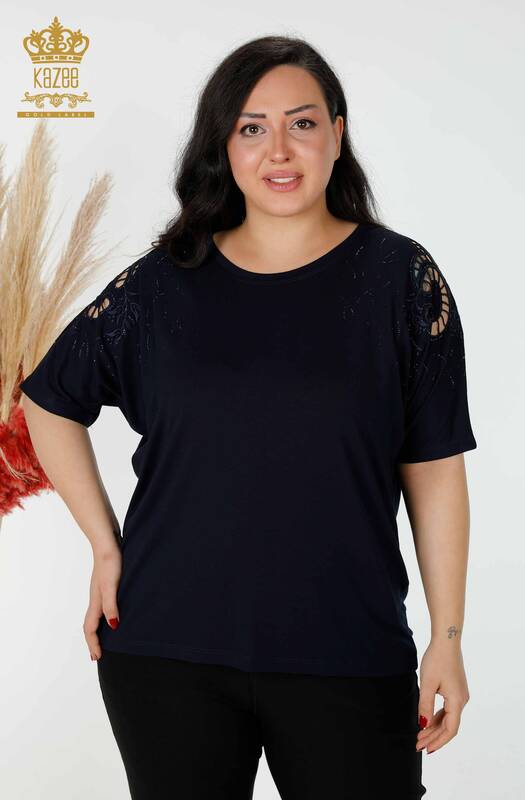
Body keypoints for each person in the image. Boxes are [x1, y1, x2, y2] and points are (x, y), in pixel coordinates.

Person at [19, 35, 477, 800]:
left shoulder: (400, 280)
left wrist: (447, 637)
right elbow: (47, 398)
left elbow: (433, 467)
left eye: (302, 123)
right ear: (223, 146)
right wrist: (104, 546)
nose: (279, 150)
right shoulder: (162, 285)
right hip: (167, 650)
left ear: (337, 133)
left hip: (348, 651)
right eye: (251, 128)